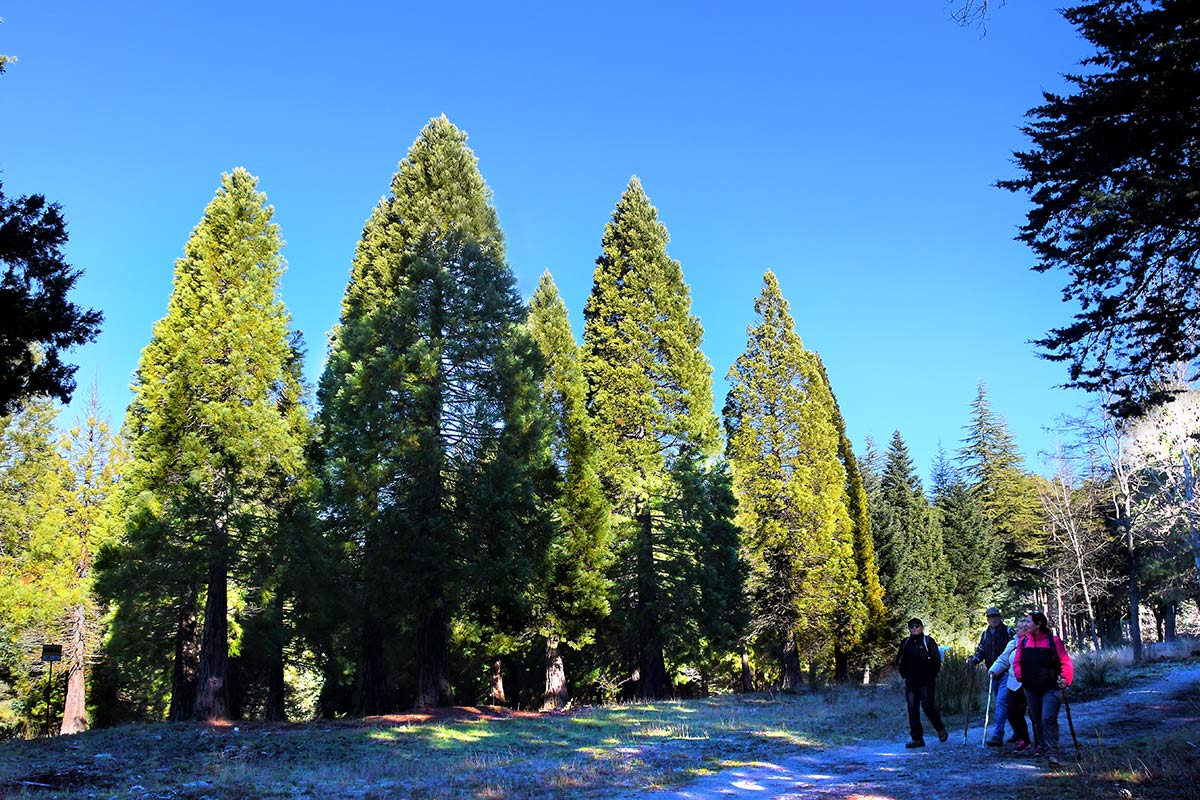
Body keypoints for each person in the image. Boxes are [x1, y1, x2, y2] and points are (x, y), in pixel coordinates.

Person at [1012, 611, 1074, 766]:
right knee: (1037, 720)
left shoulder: (1053, 641)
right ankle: (1043, 749)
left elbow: (1066, 663)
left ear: (1038, 624)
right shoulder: (1023, 642)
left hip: (1051, 687)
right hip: (1031, 687)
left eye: (1028, 622)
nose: (1025, 625)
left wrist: (1065, 679)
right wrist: (1020, 676)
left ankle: (1053, 753)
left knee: (1048, 718)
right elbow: (1017, 662)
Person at [895, 617, 949, 748]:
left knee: (927, 707)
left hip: (926, 681)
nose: (914, 628)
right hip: (911, 681)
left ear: (921, 627)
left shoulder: (928, 641)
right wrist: (903, 673)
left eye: (916, 626)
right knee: (912, 709)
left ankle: (940, 729)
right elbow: (899, 659)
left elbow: (936, 661)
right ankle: (917, 738)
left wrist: (930, 675)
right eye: (911, 626)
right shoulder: (905, 642)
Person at [968, 606, 1017, 746]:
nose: (994, 619)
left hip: (1008, 673)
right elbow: (980, 651)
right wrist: (974, 660)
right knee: (1006, 705)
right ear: (988, 619)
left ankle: (998, 735)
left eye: (996, 616)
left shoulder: (1009, 632)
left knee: (1001, 702)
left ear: (1000, 617)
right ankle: (1017, 731)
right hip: (993, 675)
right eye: (991, 617)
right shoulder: (985, 634)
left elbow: (1015, 649)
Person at [987, 614, 1033, 753]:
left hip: (1031, 683)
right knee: (1013, 713)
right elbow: (1003, 659)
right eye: (1018, 628)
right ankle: (1022, 738)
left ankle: (1041, 742)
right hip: (1013, 682)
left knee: (1034, 714)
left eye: (1021, 628)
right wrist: (993, 670)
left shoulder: (1032, 642)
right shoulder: (1013, 642)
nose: (1017, 630)